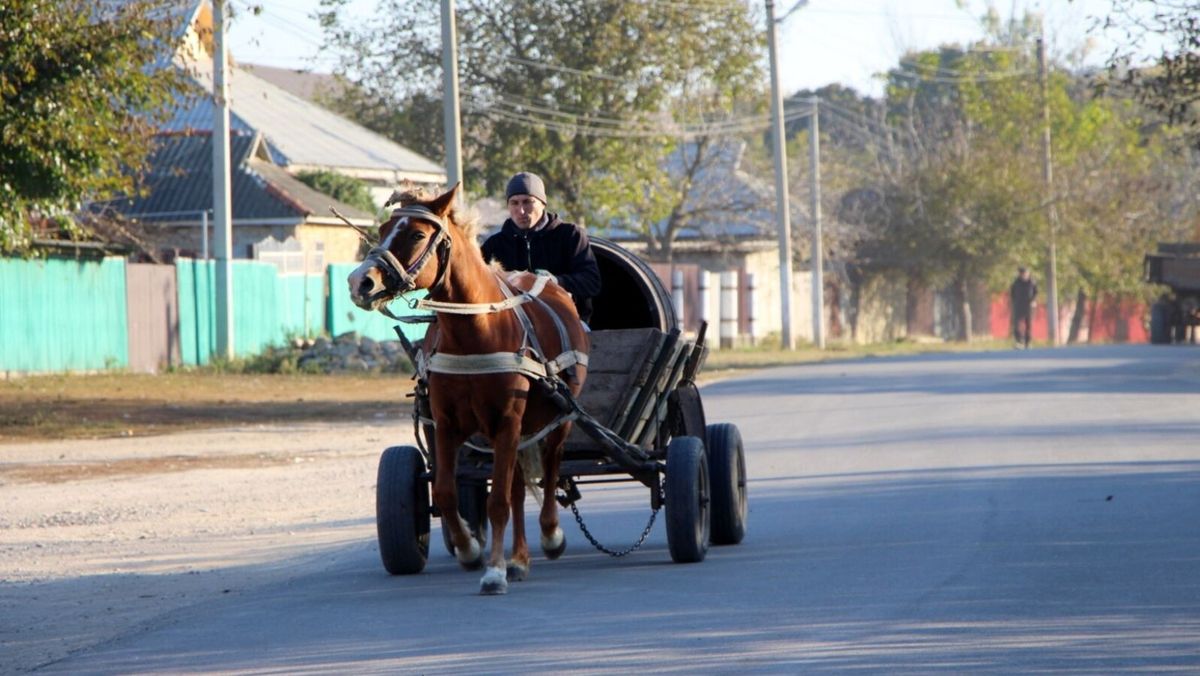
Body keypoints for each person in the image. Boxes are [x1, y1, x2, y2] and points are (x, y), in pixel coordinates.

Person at [481, 172, 601, 323]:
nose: (521, 211)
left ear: (543, 203)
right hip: (511, 327)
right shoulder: (494, 245)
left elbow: (592, 282)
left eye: (527, 202)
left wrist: (555, 281)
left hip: (568, 322)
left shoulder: (570, 235)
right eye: (514, 203)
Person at [1010, 266, 1037, 349]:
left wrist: (1033, 300)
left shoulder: (1031, 282)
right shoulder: (1016, 282)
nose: (1024, 275)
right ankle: (1019, 341)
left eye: (1025, 273)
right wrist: (1014, 302)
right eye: (1022, 274)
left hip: (1028, 306)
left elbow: (1035, 292)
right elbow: (1012, 293)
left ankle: (1027, 342)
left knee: (1028, 325)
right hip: (1018, 305)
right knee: (1016, 324)